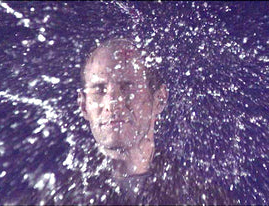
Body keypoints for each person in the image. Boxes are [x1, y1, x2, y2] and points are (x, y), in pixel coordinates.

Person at [47, 38, 235, 205]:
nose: (112, 103)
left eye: (127, 87)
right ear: (83, 106)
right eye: (99, 89)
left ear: (159, 99)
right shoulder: (56, 198)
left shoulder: (204, 197)